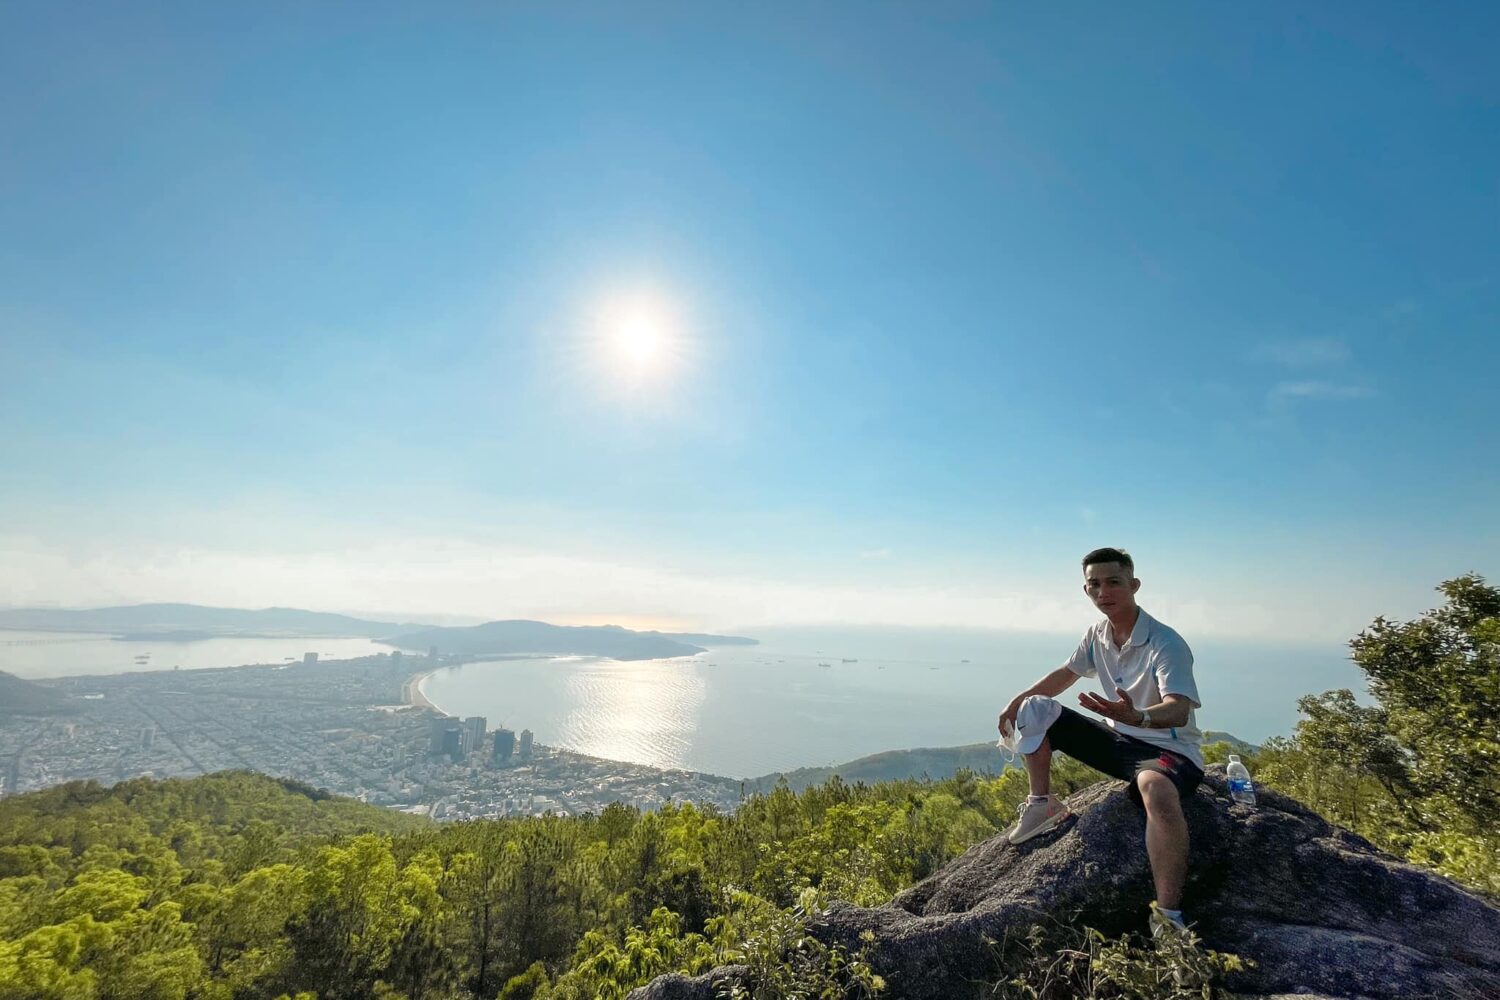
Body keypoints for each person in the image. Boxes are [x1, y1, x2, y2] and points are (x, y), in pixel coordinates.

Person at [997, 547, 1204, 938]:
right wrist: (1017, 701)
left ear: (1133, 585)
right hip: (1117, 741)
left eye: (1113, 582)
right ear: (1086, 589)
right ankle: (1042, 805)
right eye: (1095, 584)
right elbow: (1066, 673)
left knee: (1155, 788)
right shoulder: (1098, 634)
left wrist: (1139, 716)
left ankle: (1168, 917)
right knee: (1038, 708)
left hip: (1167, 751)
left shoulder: (1166, 643)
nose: (1103, 591)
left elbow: (1177, 710)